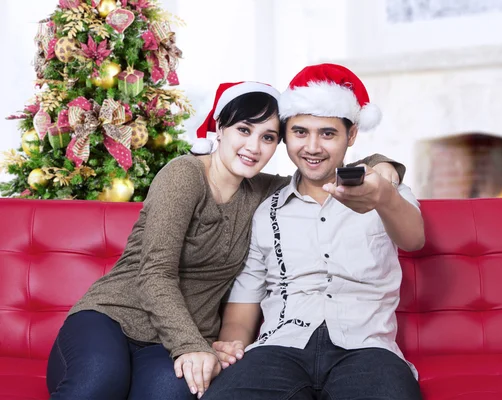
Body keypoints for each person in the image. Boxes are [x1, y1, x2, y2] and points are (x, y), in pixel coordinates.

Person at [45, 80, 402, 400]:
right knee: (99, 384)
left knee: (169, 393)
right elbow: (154, 271)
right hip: (115, 318)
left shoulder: (265, 191)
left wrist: (382, 163)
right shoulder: (184, 175)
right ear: (220, 129)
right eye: (243, 130)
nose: (253, 146)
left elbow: (320, 171)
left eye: (267, 137)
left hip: (173, 342)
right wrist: (190, 346)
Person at [203, 64, 425, 400]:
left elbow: (414, 239)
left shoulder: (384, 191)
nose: (313, 147)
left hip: (366, 349)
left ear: (351, 136)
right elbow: (244, 302)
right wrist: (232, 344)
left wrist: (384, 196)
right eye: (300, 132)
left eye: (328, 133)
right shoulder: (267, 211)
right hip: (280, 347)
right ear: (285, 135)